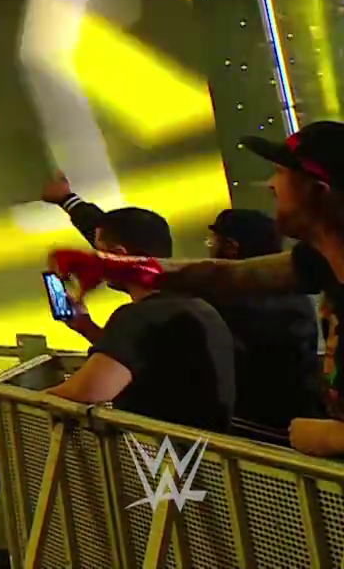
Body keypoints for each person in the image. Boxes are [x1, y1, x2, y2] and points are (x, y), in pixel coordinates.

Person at [49, 122, 344, 455]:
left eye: (280, 173)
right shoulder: (316, 262)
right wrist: (108, 264)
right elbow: (221, 275)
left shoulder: (226, 309)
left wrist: (332, 439)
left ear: (317, 192)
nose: (270, 185)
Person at [44, 205, 237, 432]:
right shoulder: (195, 305)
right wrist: (86, 326)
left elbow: (87, 391)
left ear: (118, 255)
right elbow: (144, 357)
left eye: (98, 253)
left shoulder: (138, 316)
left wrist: (24, 400)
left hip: (164, 450)